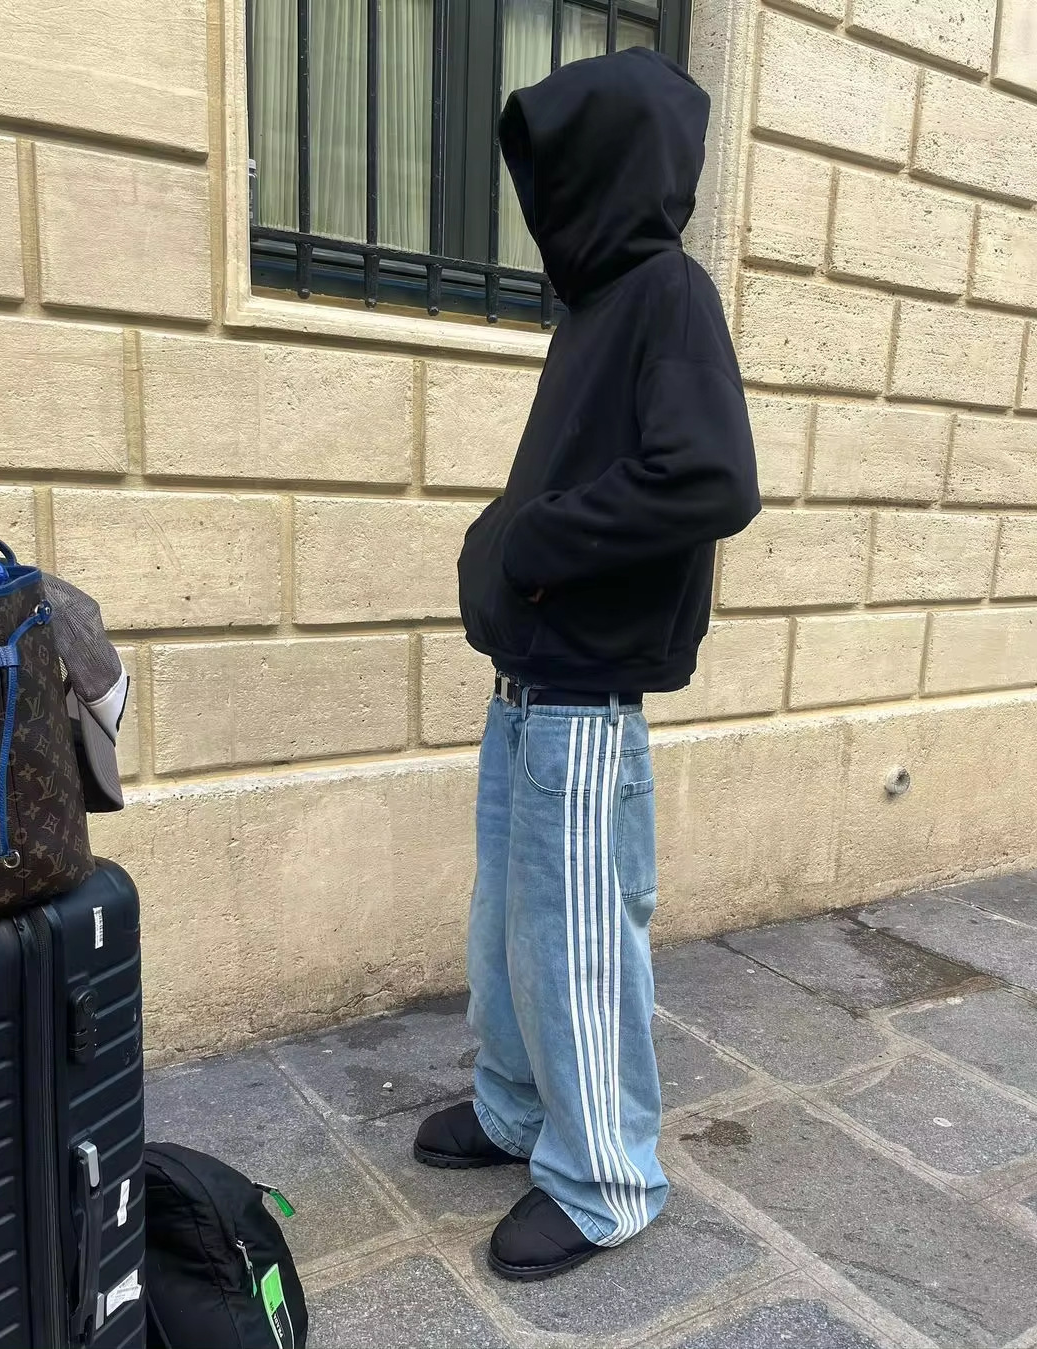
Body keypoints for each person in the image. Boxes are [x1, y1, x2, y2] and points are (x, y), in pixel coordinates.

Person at [413, 47, 760, 1282]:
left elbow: (713, 477)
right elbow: (560, 487)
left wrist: (534, 545)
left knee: (576, 948)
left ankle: (606, 1178)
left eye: (562, 165)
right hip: (529, 695)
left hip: (586, 703)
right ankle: (517, 1108)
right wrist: (497, 544)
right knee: (508, 931)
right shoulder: (595, 314)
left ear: (606, 166)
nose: (544, 192)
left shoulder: (670, 293)